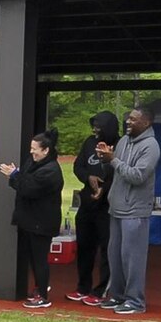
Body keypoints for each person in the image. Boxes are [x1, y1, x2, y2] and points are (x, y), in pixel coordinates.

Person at [100, 105, 159, 315]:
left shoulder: (151, 146)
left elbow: (137, 176)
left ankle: (135, 301)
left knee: (132, 258)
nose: (128, 122)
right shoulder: (124, 141)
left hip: (135, 210)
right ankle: (117, 295)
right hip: (117, 208)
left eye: (134, 119)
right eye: (128, 118)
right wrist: (105, 156)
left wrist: (113, 160)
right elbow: (116, 169)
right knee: (114, 255)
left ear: (146, 123)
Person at [0, 130, 65, 308]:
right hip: (29, 220)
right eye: (31, 148)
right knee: (32, 258)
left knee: (40, 259)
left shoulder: (51, 170)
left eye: (35, 149)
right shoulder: (33, 163)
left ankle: (43, 295)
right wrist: (16, 176)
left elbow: (29, 188)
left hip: (42, 222)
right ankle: (39, 288)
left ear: (46, 151)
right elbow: (23, 182)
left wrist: (14, 175)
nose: (31, 152)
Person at [66, 110, 118, 306]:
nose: (95, 130)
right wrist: (88, 177)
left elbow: (118, 169)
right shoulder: (89, 142)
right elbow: (78, 166)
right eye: (94, 125)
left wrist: (104, 188)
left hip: (107, 205)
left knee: (106, 249)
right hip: (87, 202)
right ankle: (83, 287)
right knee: (85, 246)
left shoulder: (120, 144)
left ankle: (102, 289)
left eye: (99, 126)